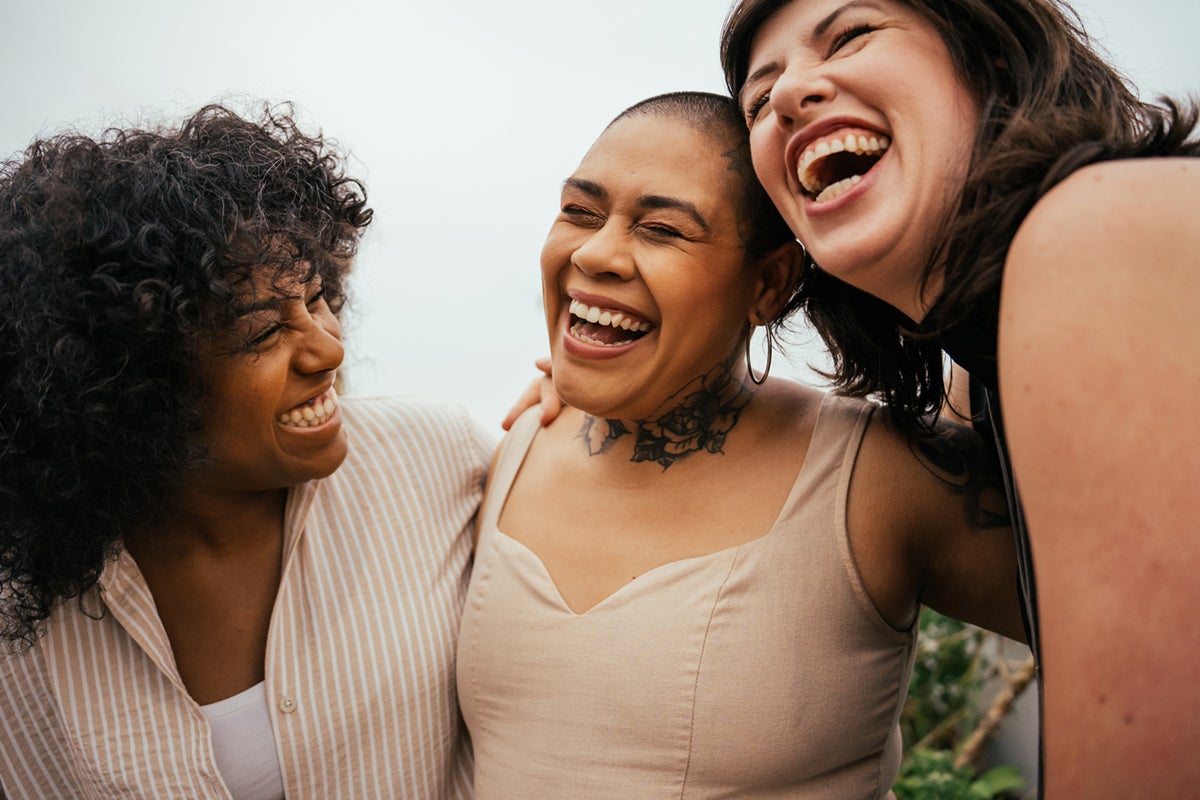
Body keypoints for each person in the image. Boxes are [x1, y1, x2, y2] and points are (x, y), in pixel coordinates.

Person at [460, 91, 1024, 799]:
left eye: (661, 229)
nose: (597, 252)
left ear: (770, 283)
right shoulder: (511, 452)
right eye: (579, 210)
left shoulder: (872, 479)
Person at [719, 0, 1200, 796]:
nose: (791, 97)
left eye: (852, 35)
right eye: (758, 102)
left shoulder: (1098, 234)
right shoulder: (982, 375)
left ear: (994, 59)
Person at [0, 104, 489, 799]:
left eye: (319, 298)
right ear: (132, 383)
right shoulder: (22, 597)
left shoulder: (444, 460)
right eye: (265, 333)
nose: (329, 348)